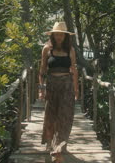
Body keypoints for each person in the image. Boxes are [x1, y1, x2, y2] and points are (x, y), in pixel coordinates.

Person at [38, 22, 79, 163]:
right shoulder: (46, 49)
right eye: (57, 34)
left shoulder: (70, 50)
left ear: (65, 36)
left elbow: (73, 70)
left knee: (65, 116)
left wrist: (76, 89)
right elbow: (42, 70)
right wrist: (41, 89)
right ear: (53, 35)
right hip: (51, 86)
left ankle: (58, 148)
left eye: (61, 34)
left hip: (66, 86)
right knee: (51, 115)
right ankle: (51, 143)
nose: (59, 37)